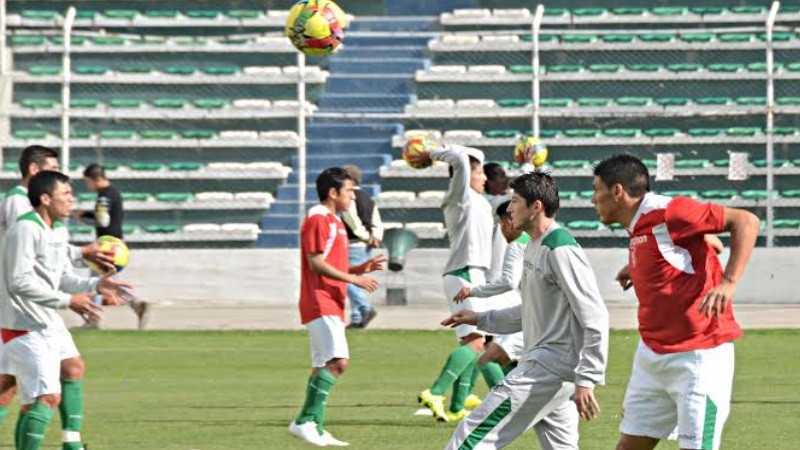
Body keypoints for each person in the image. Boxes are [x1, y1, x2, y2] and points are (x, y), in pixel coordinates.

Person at [590, 154, 759, 450]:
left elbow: (746, 221)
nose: (592, 199)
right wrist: (639, 268)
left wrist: (729, 283)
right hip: (651, 356)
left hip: (698, 356)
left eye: (596, 190)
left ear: (617, 191)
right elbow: (701, 242)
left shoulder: (668, 210)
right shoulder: (639, 224)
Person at [442, 171, 609, 449]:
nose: (509, 208)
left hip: (544, 371)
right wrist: (481, 318)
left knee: (469, 439)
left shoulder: (560, 249)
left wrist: (588, 378)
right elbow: (530, 310)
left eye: (515, 201)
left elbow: (594, 315)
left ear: (536, 206)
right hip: (554, 374)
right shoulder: (534, 245)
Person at [1, 170, 132, 450]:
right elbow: (18, 281)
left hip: (45, 323)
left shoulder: (59, 230)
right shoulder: (25, 228)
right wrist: (68, 301)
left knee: (41, 397)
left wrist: (97, 284)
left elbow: (61, 277)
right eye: (66, 194)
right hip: (22, 325)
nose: (72, 200)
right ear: (45, 198)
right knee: (47, 398)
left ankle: (70, 443)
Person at [289, 167, 386, 447]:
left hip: (330, 301)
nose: (352, 198)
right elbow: (315, 262)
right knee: (338, 362)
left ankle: (315, 426)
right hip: (319, 300)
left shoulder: (335, 221)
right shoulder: (318, 219)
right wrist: (354, 278)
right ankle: (305, 421)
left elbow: (332, 263)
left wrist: (359, 266)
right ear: (333, 193)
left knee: (322, 365)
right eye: (348, 192)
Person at [415, 144, 493, 422]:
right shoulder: (461, 197)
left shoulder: (481, 201)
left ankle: (458, 405)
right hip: (464, 273)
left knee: (478, 343)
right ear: (465, 175)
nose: (484, 177)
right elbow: (460, 157)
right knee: (476, 342)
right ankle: (435, 391)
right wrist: (431, 152)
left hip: (475, 274)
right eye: (480, 172)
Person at [453, 200, 525, 392]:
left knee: (488, 358)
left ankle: (504, 405)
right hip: (551, 319)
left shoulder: (517, 245)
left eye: (501, 225)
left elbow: (508, 281)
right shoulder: (539, 240)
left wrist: (474, 290)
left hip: (538, 319)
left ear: (508, 222)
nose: (501, 231)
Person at [77, 164, 149, 329]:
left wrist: (87, 217)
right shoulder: (113, 193)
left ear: (95, 179)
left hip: (107, 246)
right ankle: (136, 305)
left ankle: (94, 320)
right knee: (104, 282)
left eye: (87, 182)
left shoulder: (104, 197)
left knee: (96, 282)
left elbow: (103, 220)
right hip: (115, 245)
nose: (88, 186)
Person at [341, 164, 383, 329]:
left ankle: (365, 308)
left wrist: (365, 237)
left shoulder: (350, 196)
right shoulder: (368, 197)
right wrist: (376, 237)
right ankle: (357, 318)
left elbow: (351, 219)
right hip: (366, 245)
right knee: (356, 281)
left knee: (346, 279)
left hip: (354, 243)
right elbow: (377, 220)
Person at [483, 162, 511, 284]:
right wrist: (528, 166)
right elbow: (518, 197)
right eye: (502, 176)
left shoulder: (502, 199)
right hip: (492, 276)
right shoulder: (486, 202)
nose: (507, 179)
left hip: (505, 274)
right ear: (490, 182)